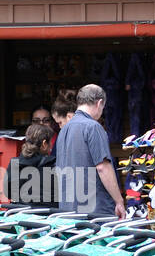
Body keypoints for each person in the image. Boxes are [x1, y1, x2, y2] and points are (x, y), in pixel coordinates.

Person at [55, 83, 126, 219]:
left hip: (67, 210)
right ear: (99, 103)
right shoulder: (93, 127)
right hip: (94, 211)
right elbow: (102, 168)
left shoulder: (64, 130)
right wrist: (119, 200)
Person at [7, 122, 56, 206]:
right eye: (50, 142)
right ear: (44, 144)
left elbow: (9, 194)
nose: (51, 145)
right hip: (47, 216)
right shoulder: (52, 165)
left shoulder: (14, 163)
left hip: (19, 214)